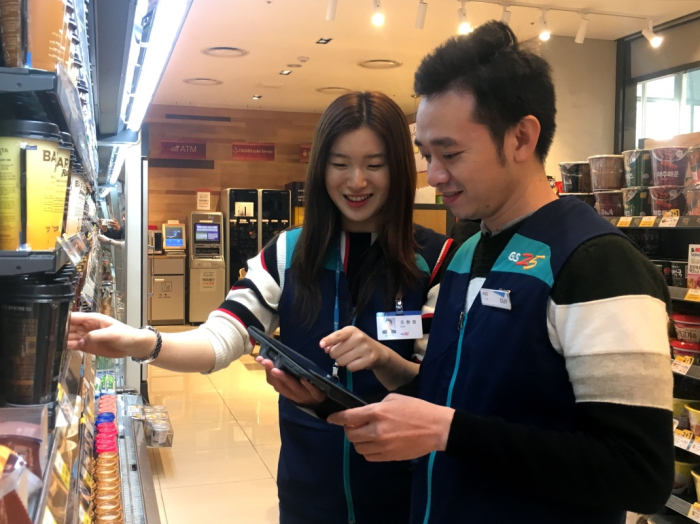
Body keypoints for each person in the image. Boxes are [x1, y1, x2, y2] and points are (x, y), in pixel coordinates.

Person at [323, 22, 673, 524]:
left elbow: (639, 473)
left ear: (521, 138)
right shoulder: (467, 253)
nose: (434, 175)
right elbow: (464, 397)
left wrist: (448, 431)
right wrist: (388, 367)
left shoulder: (597, 265)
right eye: (426, 155)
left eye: (450, 153)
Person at [67, 91, 454, 524]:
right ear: (320, 167)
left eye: (375, 165)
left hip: (406, 489)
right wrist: (141, 342)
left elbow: (436, 385)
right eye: (340, 164)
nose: (356, 181)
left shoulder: (437, 258)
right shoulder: (288, 253)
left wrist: (384, 359)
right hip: (309, 485)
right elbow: (223, 338)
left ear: (399, 169)